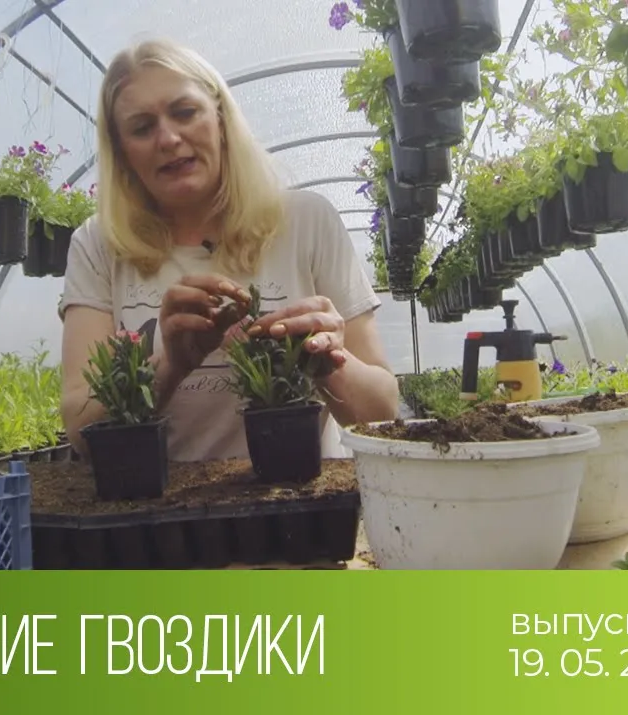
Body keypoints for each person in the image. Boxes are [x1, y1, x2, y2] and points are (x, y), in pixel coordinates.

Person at [58, 37, 399, 463]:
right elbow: (81, 430)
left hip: (302, 498)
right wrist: (170, 365)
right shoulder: (98, 245)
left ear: (220, 118)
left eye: (185, 112)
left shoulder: (306, 221)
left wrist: (327, 359)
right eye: (142, 128)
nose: (168, 138)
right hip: (154, 502)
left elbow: (382, 413)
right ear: (122, 151)